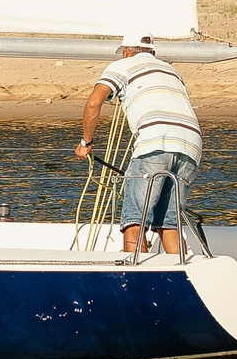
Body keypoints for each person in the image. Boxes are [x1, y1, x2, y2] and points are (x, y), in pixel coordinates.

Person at [75, 33, 203, 256]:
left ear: (127, 51)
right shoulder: (171, 70)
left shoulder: (122, 66)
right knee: (169, 223)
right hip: (191, 145)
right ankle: (179, 276)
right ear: (151, 51)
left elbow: (94, 102)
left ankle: (137, 279)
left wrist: (86, 142)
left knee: (135, 219)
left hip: (155, 142)